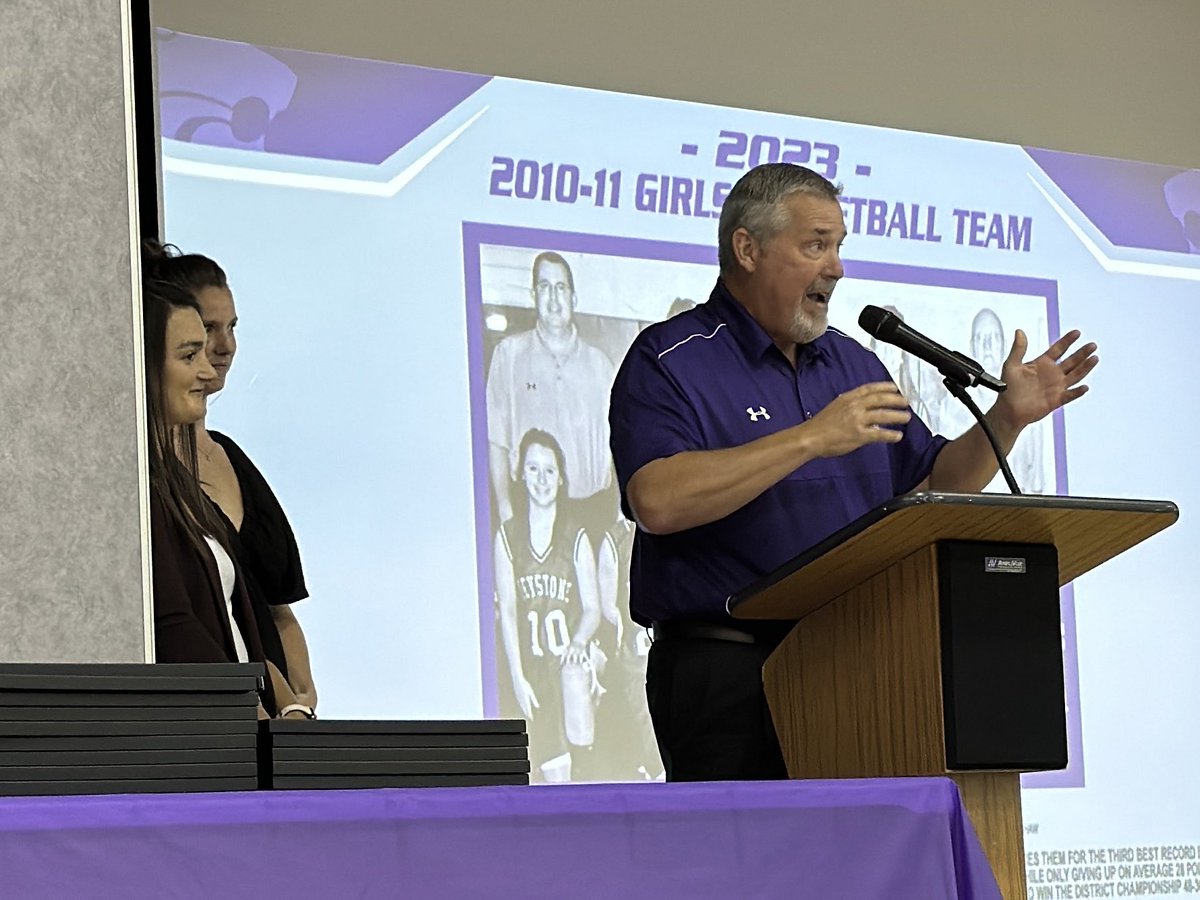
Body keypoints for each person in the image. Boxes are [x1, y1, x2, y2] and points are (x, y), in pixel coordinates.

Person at [608, 162, 1098, 782]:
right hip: (728, 673)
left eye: (838, 246)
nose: (836, 267)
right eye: (816, 245)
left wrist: (1007, 419)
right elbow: (657, 500)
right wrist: (810, 438)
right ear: (748, 249)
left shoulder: (851, 363)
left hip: (858, 667)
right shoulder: (671, 359)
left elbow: (929, 486)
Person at [143, 241, 318, 717]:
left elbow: (265, 616)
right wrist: (258, 719)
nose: (217, 353)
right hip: (218, 731)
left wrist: (296, 708)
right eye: (196, 344)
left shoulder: (220, 466)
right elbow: (175, 626)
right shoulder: (141, 486)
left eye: (231, 328)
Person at [494, 429, 602, 782]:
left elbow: (593, 609)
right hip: (532, 669)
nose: (541, 479)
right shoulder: (508, 537)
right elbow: (508, 613)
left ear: (560, 479)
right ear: (521, 474)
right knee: (551, 778)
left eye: (550, 471)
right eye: (533, 469)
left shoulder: (575, 535)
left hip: (567, 666)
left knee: (578, 772)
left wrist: (579, 642)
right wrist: (517, 675)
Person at [485, 252, 617, 536]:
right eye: (545, 287)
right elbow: (496, 441)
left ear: (573, 298)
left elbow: (619, 444)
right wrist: (507, 514)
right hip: (529, 512)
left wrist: (620, 514)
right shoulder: (509, 356)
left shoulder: (601, 365)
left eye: (561, 288)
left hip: (591, 510)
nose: (554, 299)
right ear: (533, 296)